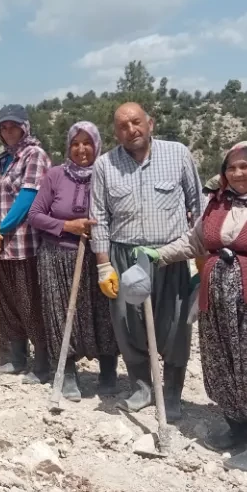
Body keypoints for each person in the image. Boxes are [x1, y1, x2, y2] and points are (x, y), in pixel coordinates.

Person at [138, 141, 247, 471]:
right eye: (231, 167)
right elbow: (195, 242)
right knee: (221, 362)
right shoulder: (218, 204)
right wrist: (159, 255)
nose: (237, 173)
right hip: (216, 301)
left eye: (245, 165)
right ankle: (236, 428)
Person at [90, 102, 203, 422]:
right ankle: (141, 387)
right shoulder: (104, 165)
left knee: (177, 324)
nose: (131, 130)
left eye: (136, 122)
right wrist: (103, 265)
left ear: (150, 123)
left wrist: (202, 258)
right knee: (128, 325)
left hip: (170, 255)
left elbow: (198, 207)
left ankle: (172, 394)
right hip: (123, 255)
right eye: (123, 126)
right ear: (116, 132)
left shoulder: (178, 154)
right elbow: (98, 217)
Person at [28, 121, 117, 400]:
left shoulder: (107, 175)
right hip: (56, 256)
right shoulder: (55, 175)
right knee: (60, 314)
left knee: (103, 315)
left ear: (97, 145)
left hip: (98, 256)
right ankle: (66, 372)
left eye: (87, 143)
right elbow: (35, 215)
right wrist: (69, 227)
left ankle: (108, 372)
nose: (81, 149)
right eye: (75, 143)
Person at [0, 104, 52, 381]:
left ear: (25, 127)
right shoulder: (2, 161)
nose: (8, 131)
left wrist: (1, 228)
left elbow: (27, 199)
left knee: (30, 304)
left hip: (24, 243)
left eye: (13, 125)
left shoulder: (34, 155)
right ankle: (18, 358)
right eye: (3, 127)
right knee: (8, 303)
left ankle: (43, 364)